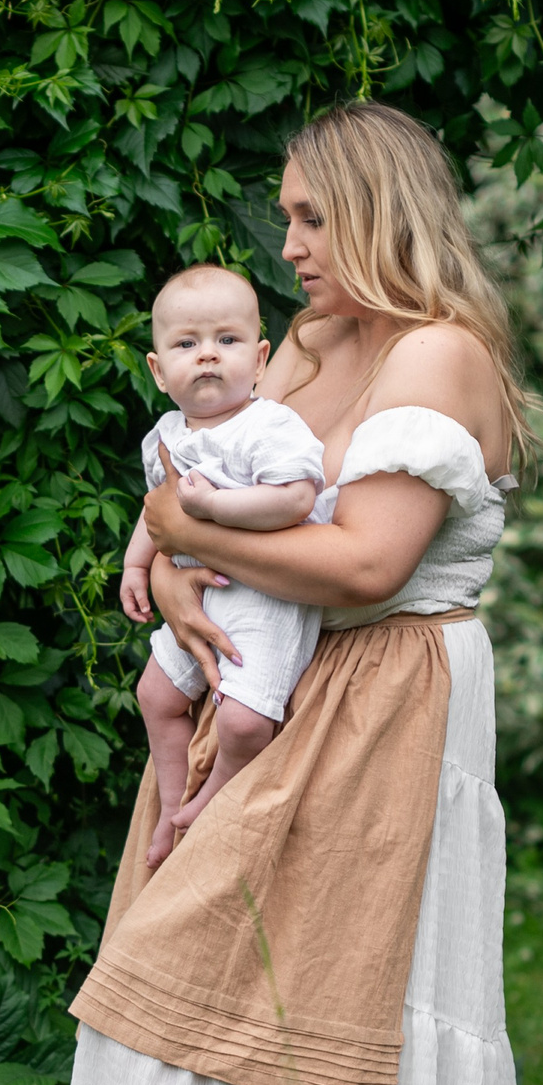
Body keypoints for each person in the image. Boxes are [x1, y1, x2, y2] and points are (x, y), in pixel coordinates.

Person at [43, 101, 543, 1085]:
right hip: (283, 682)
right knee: (191, 970)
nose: (290, 243)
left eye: (312, 216)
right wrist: (162, 534)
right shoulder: (317, 347)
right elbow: (213, 475)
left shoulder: (439, 358)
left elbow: (367, 563)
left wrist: (173, 518)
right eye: (283, 213)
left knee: (327, 1001)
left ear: (381, 210)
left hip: (393, 693)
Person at [120, 265, 331, 870]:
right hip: (199, 595)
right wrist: (139, 564)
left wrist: (212, 508)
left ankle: (212, 800)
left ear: (261, 359)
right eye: (187, 345)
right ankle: (171, 802)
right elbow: (155, 510)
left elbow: (296, 497)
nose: (208, 356)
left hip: (262, 598)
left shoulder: (268, 425)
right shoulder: (166, 432)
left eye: (227, 341)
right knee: (154, 694)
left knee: (243, 722)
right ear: (159, 371)